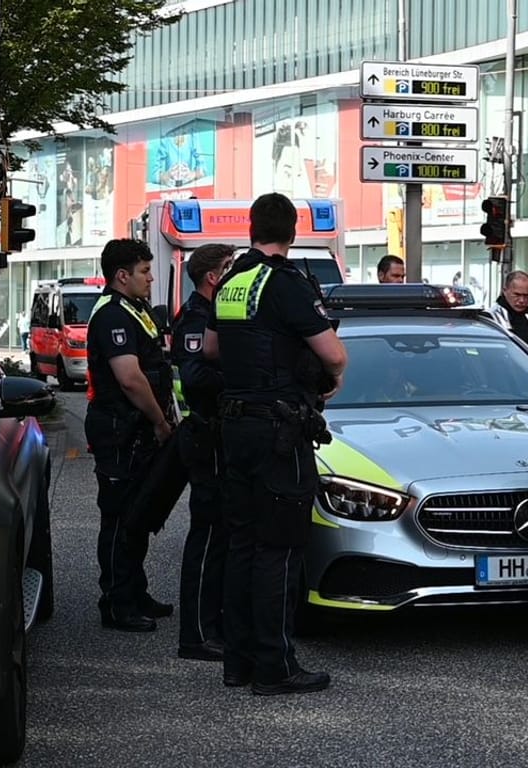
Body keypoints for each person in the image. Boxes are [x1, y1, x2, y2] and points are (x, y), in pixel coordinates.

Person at [203, 192, 348, 696]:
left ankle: (238, 662)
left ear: (250, 228)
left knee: (241, 544)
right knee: (279, 549)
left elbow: (213, 347)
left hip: (236, 425)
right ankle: (276, 667)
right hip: (277, 430)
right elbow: (333, 354)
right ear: (291, 231)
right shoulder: (285, 283)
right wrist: (329, 379)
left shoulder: (232, 283)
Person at [85, 238, 176, 633]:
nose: (150, 277)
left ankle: (135, 591)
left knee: (138, 516)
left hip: (134, 432)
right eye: (143, 271)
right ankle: (118, 602)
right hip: (120, 431)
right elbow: (130, 379)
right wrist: (159, 421)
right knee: (120, 518)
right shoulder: (112, 315)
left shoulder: (134, 311)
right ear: (122, 275)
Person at [171, 243, 236, 662]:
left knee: (222, 535)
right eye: (229, 268)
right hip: (207, 434)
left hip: (220, 436)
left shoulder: (213, 314)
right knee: (208, 533)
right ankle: (195, 634)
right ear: (214, 277)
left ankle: (214, 622)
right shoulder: (197, 316)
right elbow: (195, 376)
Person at [489, 270, 528, 346]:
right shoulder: (491, 317)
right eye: (517, 295)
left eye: (526, 295)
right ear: (504, 291)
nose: (522, 300)